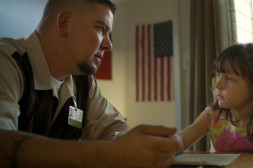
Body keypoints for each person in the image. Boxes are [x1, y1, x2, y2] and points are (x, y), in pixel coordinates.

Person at [0, 0, 180, 167]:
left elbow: (114, 125)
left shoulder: (83, 83)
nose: (109, 45)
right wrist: (110, 153)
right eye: (101, 29)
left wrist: (116, 139)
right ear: (65, 24)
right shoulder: (7, 64)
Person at [175, 43, 253, 154]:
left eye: (228, 78)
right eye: (218, 75)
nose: (217, 85)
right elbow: (182, 140)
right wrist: (164, 143)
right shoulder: (212, 117)